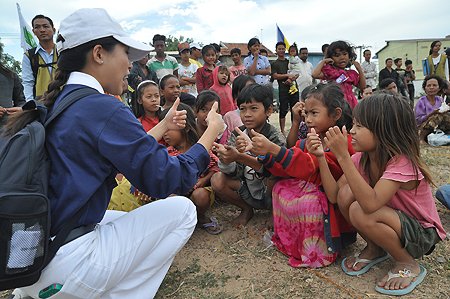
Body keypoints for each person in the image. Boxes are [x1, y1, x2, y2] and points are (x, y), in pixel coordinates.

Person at [5, 8, 224, 298]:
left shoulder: (57, 102)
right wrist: (210, 132)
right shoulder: (101, 107)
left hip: (34, 256)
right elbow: (169, 178)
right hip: (69, 264)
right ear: (98, 54)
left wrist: (162, 125)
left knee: (116, 216)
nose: (128, 66)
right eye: (125, 53)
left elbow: (126, 149)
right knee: (182, 211)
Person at [313, 93, 445, 296]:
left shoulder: (402, 162)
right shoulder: (362, 159)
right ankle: (375, 248)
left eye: (359, 126)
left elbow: (370, 205)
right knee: (346, 194)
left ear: (384, 131)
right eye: (353, 124)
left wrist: (342, 157)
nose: (351, 131)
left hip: (421, 232)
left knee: (360, 208)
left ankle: (407, 263)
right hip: (393, 220)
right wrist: (321, 157)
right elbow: (335, 196)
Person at [249, 83, 355, 268]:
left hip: (333, 200)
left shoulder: (342, 141)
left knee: (309, 202)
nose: (308, 119)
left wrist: (273, 149)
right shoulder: (309, 139)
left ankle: (318, 249)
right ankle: (295, 244)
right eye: (306, 113)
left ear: (336, 114)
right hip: (314, 188)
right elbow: (289, 164)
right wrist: (263, 153)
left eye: (314, 113)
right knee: (280, 187)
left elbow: (308, 165)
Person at [211, 84, 285, 226]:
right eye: (243, 109)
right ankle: (246, 209)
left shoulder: (275, 137)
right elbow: (234, 173)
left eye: (254, 108)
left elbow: (276, 172)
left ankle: (275, 212)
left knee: (275, 178)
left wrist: (240, 156)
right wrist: (226, 159)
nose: (247, 114)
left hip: (271, 193)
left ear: (269, 110)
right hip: (249, 190)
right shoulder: (237, 134)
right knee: (217, 180)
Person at [161, 103, 222, 234]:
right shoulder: (167, 153)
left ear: (186, 127)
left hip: (197, 191)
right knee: (171, 198)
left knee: (200, 195)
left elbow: (216, 167)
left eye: (169, 129)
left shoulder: (199, 149)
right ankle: (180, 222)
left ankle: (200, 217)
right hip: (178, 193)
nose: (164, 134)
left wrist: (203, 180)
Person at [312, 40, 365, 109]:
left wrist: (360, 70)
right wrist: (323, 61)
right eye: (337, 55)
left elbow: (362, 86)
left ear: (349, 56)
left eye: (345, 54)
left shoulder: (350, 74)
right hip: (334, 103)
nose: (342, 57)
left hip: (350, 104)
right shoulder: (330, 72)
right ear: (330, 58)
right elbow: (315, 75)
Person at [22, 14, 58, 100]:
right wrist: (30, 102)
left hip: (63, 100)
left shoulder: (63, 51)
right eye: (37, 27)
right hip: (41, 102)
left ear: (53, 30)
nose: (42, 30)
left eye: (45, 26)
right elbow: (28, 82)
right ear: (33, 31)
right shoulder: (29, 55)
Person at [271, 41, 299, 135]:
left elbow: (297, 72)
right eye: (279, 49)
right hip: (283, 89)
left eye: (283, 48)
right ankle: (282, 131)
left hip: (294, 88)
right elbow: (275, 76)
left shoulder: (290, 61)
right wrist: (288, 75)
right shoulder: (275, 63)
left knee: (295, 109)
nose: (281, 50)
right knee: (283, 110)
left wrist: (291, 79)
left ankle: (294, 129)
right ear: (276, 50)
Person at [219, 75, 255, 145]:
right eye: (245, 90)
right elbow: (227, 141)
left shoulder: (260, 113)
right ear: (236, 94)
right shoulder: (230, 116)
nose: (249, 93)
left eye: (252, 89)